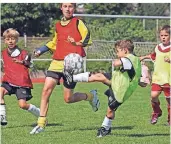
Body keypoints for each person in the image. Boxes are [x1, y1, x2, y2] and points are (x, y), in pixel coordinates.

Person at [30, 3, 99, 134]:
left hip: (71, 65)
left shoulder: (78, 22)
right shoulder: (57, 25)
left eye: (71, 6)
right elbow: (54, 42)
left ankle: (90, 96)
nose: (68, 9)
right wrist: (41, 50)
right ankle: (41, 124)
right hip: (56, 62)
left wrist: (76, 43)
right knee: (46, 91)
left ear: (74, 8)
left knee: (68, 99)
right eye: (65, 6)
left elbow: (88, 39)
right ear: (61, 8)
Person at [64, 39, 142, 137]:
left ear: (125, 50)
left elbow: (117, 63)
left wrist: (117, 62)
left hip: (121, 91)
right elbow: (134, 74)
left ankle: (105, 128)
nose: (117, 54)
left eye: (118, 51)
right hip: (117, 80)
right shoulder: (136, 59)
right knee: (100, 76)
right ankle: (72, 78)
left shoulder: (128, 59)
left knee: (110, 110)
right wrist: (140, 81)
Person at [0, 28, 40, 126]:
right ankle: (2, 116)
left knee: (23, 105)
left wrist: (22, 62)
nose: (10, 41)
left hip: (21, 83)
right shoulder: (3, 53)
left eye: (13, 39)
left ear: (17, 40)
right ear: (5, 40)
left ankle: (41, 114)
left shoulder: (24, 53)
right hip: (8, 81)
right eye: (8, 39)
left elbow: (31, 65)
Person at [140, 25, 170, 125]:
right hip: (157, 78)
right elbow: (152, 56)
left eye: (166, 35)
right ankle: (156, 112)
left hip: (168, 79)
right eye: (161, 35)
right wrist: (143, 57)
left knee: (169, 100)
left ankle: (170, 119)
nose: (163, 37)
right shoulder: (158, 47)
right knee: (153, 96)